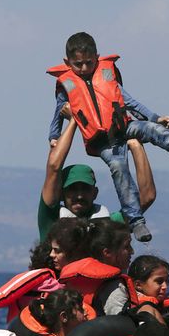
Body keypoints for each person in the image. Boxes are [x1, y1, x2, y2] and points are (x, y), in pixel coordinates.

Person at [46, 32, 169, 242]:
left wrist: (155, 118)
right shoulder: (67, 84)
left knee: (157, 131)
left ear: (97, 57)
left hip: (123, 126)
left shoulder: (106, 74)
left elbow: (130, 102)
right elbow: (58, 112)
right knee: (119, 168)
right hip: (102, 142)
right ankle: (136, 222)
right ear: (67, 62)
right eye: (77, 64)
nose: (83, 69)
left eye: (88, 63)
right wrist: (54, 136)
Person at [38, 97, 156, 241]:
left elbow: (146, 197)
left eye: (85, 189)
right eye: (73, 189)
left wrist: (136, 146)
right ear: (62, 194)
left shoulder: (108, 225)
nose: (79, 196)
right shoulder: (51, 218)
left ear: (95, 193)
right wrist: (74, 121)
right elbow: (54, 167)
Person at [0, 218, 89, 322]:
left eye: (57, 251)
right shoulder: (50, 286)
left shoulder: (40, 282)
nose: (52, 254)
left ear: (74, 253)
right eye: (53, 250)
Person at [58, 219, 139, 318]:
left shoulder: (76, 280)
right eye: (127, 247)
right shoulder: (114, 288)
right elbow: (122, 324)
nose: (132, 251)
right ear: (107, 252)